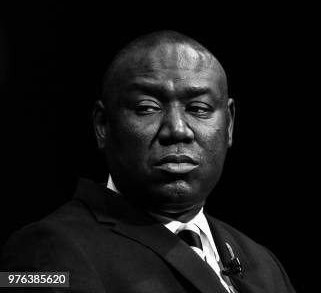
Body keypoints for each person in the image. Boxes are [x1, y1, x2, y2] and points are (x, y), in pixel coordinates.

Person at [1, 30, 296, 293]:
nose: (177, 129)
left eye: (199, 108)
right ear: (103, 125)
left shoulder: (263, 263)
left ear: (229, 124)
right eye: (147, 107)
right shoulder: (44, 253)